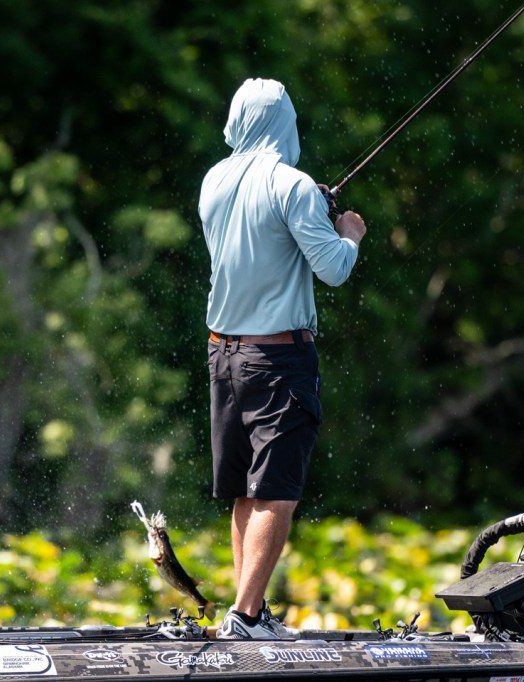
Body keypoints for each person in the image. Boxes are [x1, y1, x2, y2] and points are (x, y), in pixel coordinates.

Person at [198, 78, 367, 640]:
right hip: (277, 362)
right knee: (276, 490)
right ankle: (247, 617)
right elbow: (333, 269)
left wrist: (309, 205)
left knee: (246, 489)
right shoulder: (293, 187)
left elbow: (259, 234)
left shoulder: (213, 180)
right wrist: (348, 233)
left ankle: (246, 610)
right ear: (286, 124)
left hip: (223, 356)